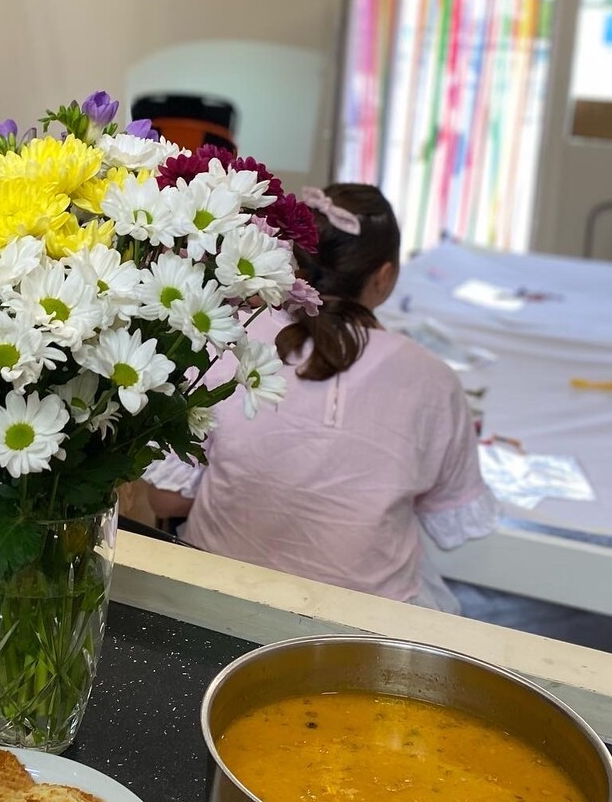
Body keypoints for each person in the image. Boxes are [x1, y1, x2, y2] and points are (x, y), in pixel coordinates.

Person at [145, 183, 497, 612]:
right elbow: (445, 518)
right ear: (383, 277)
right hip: (362, 626)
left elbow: (166, 499)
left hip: (219, 599)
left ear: (294, 258)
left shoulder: (224, 337)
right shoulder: (432, 379)